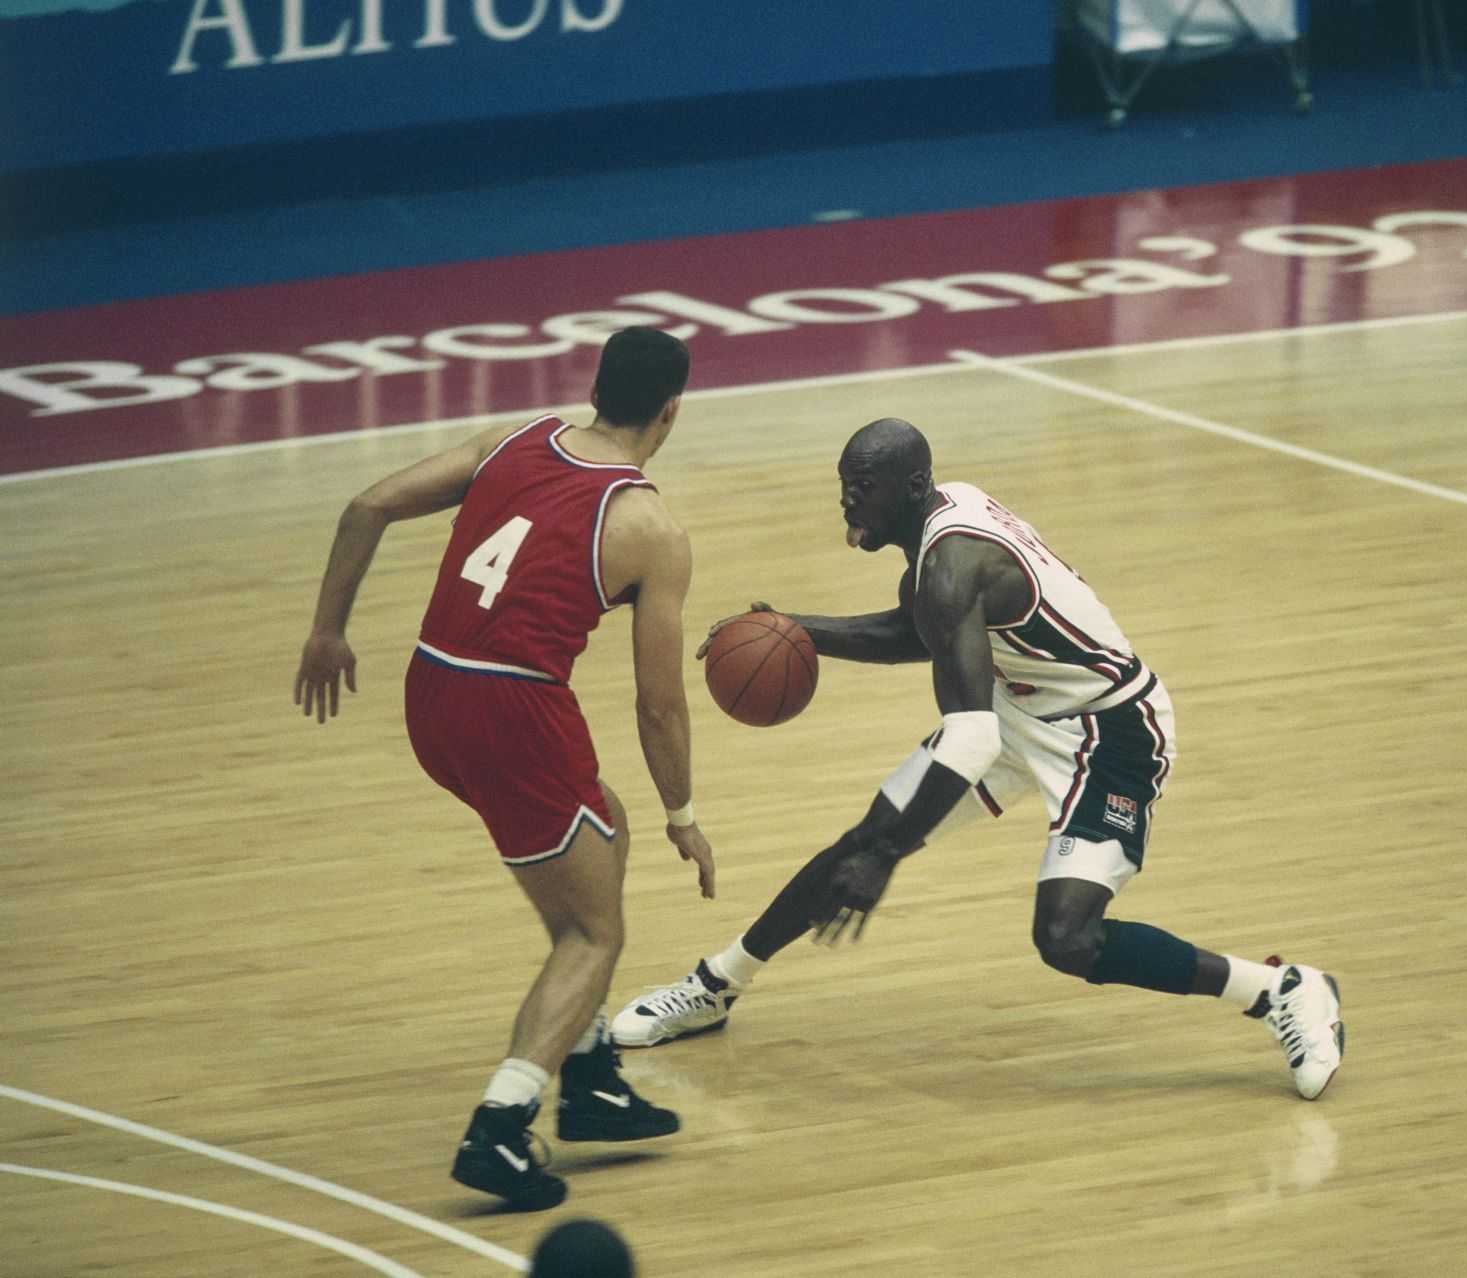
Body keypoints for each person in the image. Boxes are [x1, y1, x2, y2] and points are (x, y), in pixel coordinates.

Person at [611, 418, 1343, 1100]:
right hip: (1019, 704)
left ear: (912, 486)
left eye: (863, 485)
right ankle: (715, 986)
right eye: (844, 481)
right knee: (856, 844)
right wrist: (793, 627)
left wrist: (888, 858)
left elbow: (970, 736)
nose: (847, 498)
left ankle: (1280, 990)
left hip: (1111, 733)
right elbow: (922, 631)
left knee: (1066, 937)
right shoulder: (941, 530)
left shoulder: (952, 564)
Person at [294, 327, 718, 1210]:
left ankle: (594, 1079)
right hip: (513, 711)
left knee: (600, 819)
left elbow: (366, 506)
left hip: (431, 693)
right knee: (593, 934)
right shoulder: (649, 527)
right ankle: (502, 1122)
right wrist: (684, 809)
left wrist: (329, 630)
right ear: (672, 410)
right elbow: (657, 702)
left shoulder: (515, 437)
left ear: (596, 387)